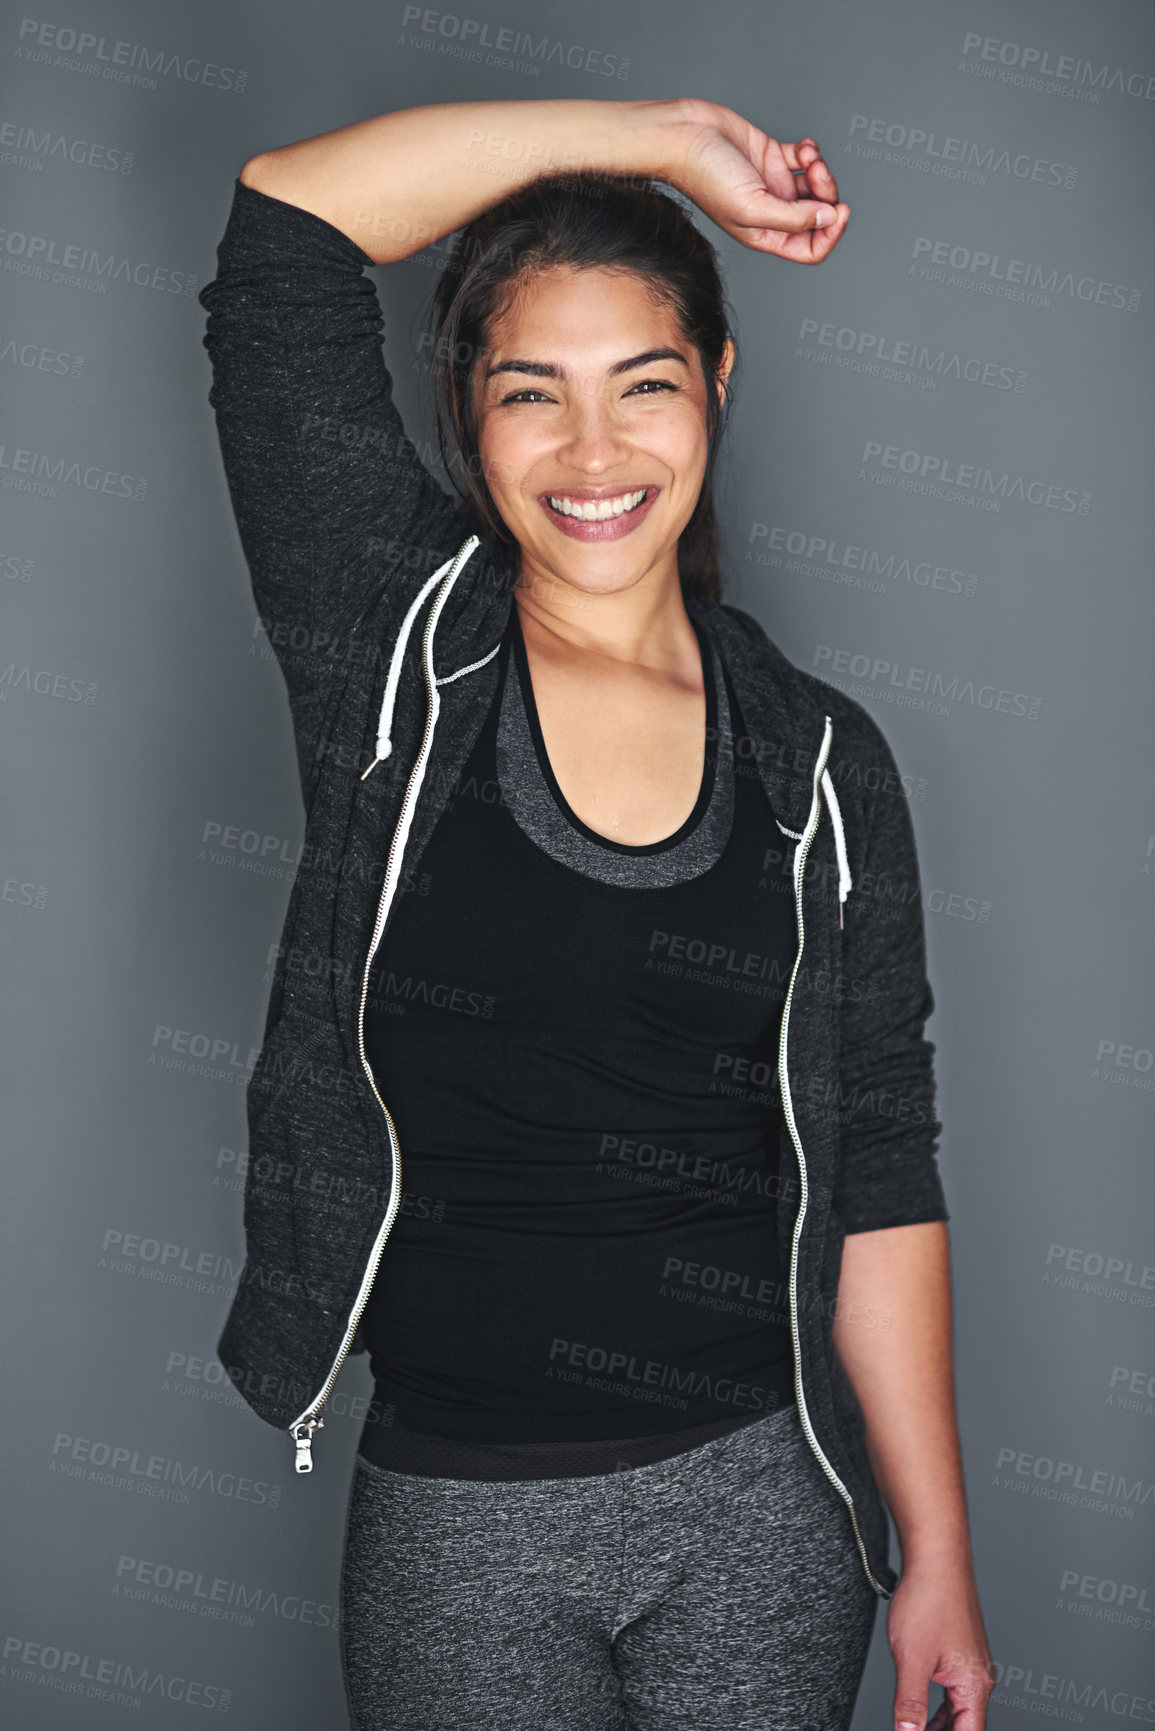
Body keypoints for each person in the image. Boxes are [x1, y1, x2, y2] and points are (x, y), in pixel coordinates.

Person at [198, 95, 995, 1731]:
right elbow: (284, 229)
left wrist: (941, 1552)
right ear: (465, 420)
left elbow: (885, 1166)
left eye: (643, 385)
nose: (592, 455)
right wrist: (668, 143)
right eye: (529, 395)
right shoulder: (394, 650)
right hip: (457, 1515)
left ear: (715, 386)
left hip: (761, 1508)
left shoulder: (823, 764)